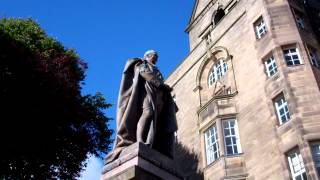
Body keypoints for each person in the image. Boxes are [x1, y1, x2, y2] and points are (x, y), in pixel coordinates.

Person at [105, 50, 178, 164]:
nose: (156, 58)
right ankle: (139, 140)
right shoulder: (142, 64)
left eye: (156, 57)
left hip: (158, 97)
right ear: (148, 56)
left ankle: (151, 142)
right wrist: (162, 85)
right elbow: (146, 74)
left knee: (156, 121)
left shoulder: (156, 68)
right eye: (154, 56)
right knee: (147, 113)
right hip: (147, 93)